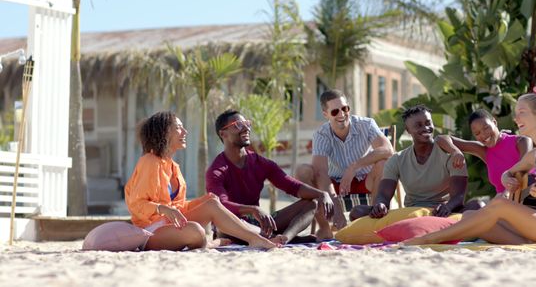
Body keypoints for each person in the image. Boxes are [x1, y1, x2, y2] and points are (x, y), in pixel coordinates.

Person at [404, 84, 536, 245]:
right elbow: (509, 173)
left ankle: (429, 239)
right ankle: (526, 243)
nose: (516, 118)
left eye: (522, 113)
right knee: (471, 216)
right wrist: (506, 177)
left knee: (499, 205)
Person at [125, 111, 277, 251]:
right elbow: (136, 203)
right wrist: (161, 208)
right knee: (195, 230)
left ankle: (255, 239)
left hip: (171, 225)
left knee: (212, 204)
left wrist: (203, 201)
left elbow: (179, 207)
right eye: (178, 128)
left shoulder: (174, 167)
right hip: (150, 231)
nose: (185, 132)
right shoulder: (149, 161)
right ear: (164, 133)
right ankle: (211, 243)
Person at [206, 110, 335, 245]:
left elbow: (291, 186)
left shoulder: (261, 163)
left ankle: (284, 238)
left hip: (259, 223)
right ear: (223, 134)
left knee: (311, 204)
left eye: (247, 124)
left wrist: (322, 194)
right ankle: (279, 238)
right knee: (226, 225)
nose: (246, 128)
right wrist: (252, 209)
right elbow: (221, 205)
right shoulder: (216, 170)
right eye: (238, 125)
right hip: (232, 225)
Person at [294, 89, 394, 237]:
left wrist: (354, 167)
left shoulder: (366, 124)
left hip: (367, 181)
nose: (341, 114)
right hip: (335, 185)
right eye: (335, 112)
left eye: (345, 108)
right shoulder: (321, 134)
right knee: (303, 171)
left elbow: (388, 150)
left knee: (384, 163)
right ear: (325, 114)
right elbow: (320, 171)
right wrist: (337, 210)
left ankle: (375, 223)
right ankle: (325, 227)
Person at [350, 104, 473, 221]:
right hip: (411, 214)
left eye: (428, 123)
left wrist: (447, 207)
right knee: (357, 212)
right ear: (408, 130)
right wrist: (380, 205)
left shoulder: (451, 154)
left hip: (443, 213)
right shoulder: (397, 159)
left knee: (477, 206)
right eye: (418, 125)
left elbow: (458, 198)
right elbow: (383, 195)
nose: (425, 128)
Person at [436, 109, 533, 196]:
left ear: (494, 122)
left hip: (528, 199)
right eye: (477, 133)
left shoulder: (522, 141)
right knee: (470, 212)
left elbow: (525, 168)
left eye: (486, 128)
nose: (483, 135)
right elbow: (440, 139)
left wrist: (507, 180)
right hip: (504, 205)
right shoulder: (484, 151)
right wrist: (455, 151)